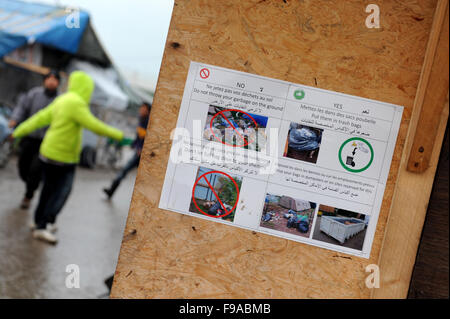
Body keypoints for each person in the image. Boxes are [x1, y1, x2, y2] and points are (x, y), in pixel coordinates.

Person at [12, 71, 124, 244]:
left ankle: (38, 223)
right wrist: (119, 135)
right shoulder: (76, 104)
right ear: (86, 88)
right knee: (62, 192)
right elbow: (95, 125)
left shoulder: (62, 100)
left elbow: (38, 119)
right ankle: (45, 224)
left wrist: (17, 132)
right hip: (63, 159)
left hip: (47, 153)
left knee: (47, 191)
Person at [8, 70, 60, 209]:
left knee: (35, 169)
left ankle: (28, 195)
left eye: (54, 79)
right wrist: (15, 120)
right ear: (44, 80)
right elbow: (22, 108)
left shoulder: (60, 100)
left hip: (46, 142)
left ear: (58, 83)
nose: (51, 81)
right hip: (29, 138)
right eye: (49, 78)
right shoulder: (34, 94)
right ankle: (32, 184)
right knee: (23, 167)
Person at [103, 102, 151, 199]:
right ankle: (111, 190)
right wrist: (134, 144)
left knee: (144, 177)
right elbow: (139, 136)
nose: (141, 110)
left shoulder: (149, 122)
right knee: (124, 170)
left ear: (148, 111)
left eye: (143, 109)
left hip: (144, 154)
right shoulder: (141, 120)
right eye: (141, 108)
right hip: (138, 153)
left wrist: (142, 148)